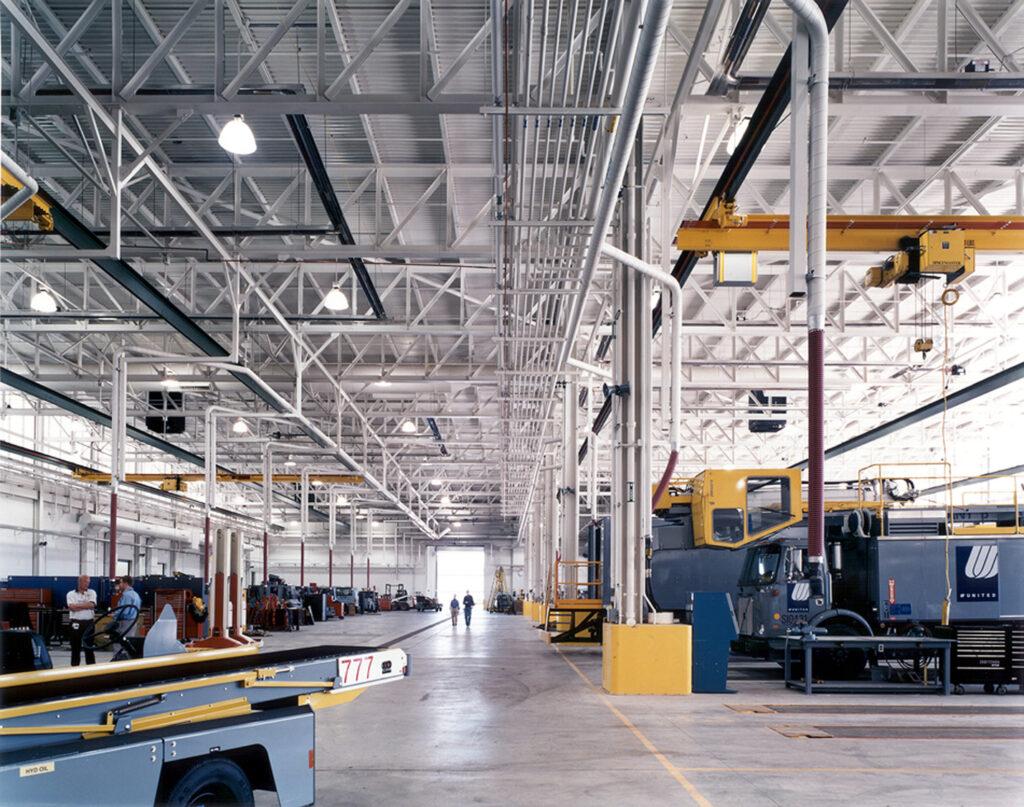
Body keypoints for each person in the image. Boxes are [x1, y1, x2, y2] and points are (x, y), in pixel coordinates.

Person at [66, 574, 97, 666]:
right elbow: (71, 607)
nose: (86, 584)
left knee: (89, 647)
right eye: (84, 582)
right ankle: (75, 668)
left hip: (89, 623)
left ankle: (91, 669)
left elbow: (92, 605)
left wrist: (77, 606)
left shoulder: (92, 593)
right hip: (76, 623)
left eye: (88, 582)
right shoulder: (70, 594)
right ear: (79, 582)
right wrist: (86, 605)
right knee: (75, 648)